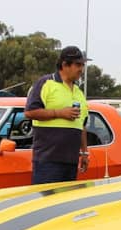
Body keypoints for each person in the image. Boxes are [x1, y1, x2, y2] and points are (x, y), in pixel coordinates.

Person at [24, 45, 90, 184]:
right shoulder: (46, 83)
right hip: (48, 161)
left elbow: (82, 124)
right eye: (78, 65)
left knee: (66, 204)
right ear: (65, 65)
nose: (81, 69)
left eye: (82, 65)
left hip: (71, 161)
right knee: (46, 203)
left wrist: (84, 152)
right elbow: (30, 112)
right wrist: (59, 113)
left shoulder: (79, 91)